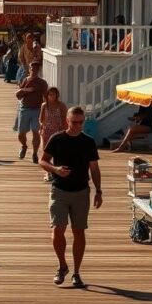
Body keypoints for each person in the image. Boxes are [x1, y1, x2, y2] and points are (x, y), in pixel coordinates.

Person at [39, 106, 103, 288]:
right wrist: (55, 170)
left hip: (81, 192)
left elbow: (94, 168)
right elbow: (42, 160)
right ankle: (62, 266)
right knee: (58, 229)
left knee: (79, 231)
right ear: (67, 121)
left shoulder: (88, 142)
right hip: (59, 190)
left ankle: (76, 272)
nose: (78, 125)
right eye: (74, 122)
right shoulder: (57, 139)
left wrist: (99, 191)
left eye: (81, 122)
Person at [16, 61, 48, 163]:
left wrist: (47, 109)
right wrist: (27, 90)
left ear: (38, 70)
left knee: (36, 133)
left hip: (37, 110)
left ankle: (34, 153)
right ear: (29, 69)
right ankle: (24, 146)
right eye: (32, 69)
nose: (34, 71)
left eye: (36, 69)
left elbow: (46, 97)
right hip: (24, 109)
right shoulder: (25, 80)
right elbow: (18, 95)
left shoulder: (42, 83)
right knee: (21, 134)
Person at [39, 87, 69, 179]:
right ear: (47, 95)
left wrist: (66, 131)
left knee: (58, 152)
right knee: (46, 152)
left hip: (58, 131)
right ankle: (48, 173)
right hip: (47, 131)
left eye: (54, 94)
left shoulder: (61, 105)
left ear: (57, 95)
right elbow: (41, 119)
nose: (52, 96)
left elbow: (66, 119)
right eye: (50, 94)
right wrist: (41, 127)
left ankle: (58, 171)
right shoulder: (44, 105)